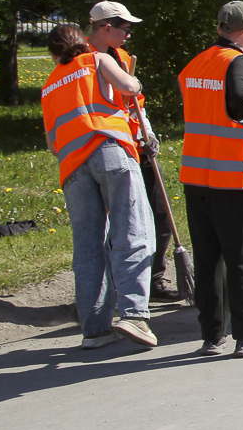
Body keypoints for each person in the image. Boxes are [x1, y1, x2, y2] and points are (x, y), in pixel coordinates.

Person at [39, 23, 157, 349]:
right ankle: (134, 315)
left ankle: (94, 330)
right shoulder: (97, 59)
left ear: (52, 54)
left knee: (88, 247)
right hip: (109, 149)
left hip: (72, 166)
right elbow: (129, 86)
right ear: (82, 41)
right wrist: (134, 82)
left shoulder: (48, 86)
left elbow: (51, 143)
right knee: (131, 230)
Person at [178, 1, 243, 357]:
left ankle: (212, 336)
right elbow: (240, 98)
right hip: (235, 176)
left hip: (197, 175)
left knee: (208, 260)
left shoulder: (196, 63)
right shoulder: (237, 62)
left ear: (220, 28)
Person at [86, 1, 178, 302]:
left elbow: (136, 102)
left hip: (136, 143)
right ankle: (115, 287)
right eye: (124, 29)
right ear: (106, 28)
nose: (128, 35)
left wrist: (147, 133)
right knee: (119, 222)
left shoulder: (123, 57)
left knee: (159, 213)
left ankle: (153, 278)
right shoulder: (82, 59)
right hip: (105, 147)